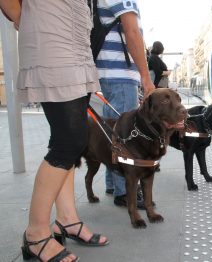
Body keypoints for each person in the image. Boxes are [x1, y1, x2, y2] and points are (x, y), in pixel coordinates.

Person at [1, 1, 109, 261]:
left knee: (67, 139)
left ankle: (67, 219)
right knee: (70, 141)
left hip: (78, 44)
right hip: (52, 43)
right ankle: (36, 234)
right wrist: (27, 20)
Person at [95, 0, 155, 207]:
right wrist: (146, 78)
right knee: (126, 136)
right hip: (119, 74)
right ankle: (125, 192)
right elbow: (131, 31)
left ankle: (113, 183)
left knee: (113, 132)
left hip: (110, 72)